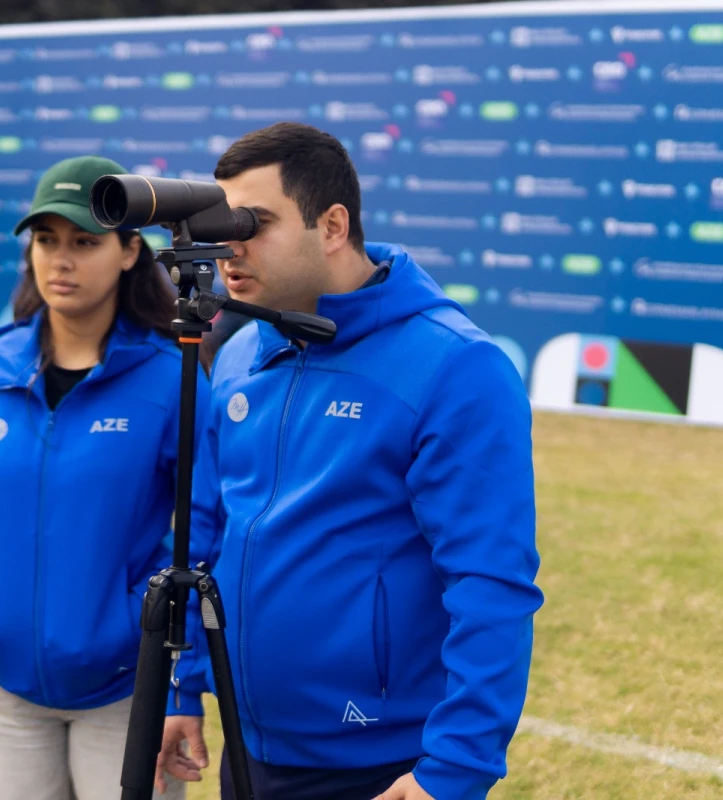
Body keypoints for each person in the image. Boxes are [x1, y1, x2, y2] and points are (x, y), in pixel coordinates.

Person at [154, 122, 544, 800]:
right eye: (222, 222)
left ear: (332, 225)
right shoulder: (245, 351)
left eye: (254, 222)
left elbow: (491, 583)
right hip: (250, 753)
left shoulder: (457, 366)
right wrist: (185, 688)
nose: (229, 246)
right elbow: (208, 533)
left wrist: (453, 773)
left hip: (382, 769)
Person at [0, 155, 199, 800]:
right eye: (46, 240)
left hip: (124, 694)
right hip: (7, 691)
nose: (61, 259)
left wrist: (139, 619)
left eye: (84, 241)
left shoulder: (172, 379)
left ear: (131, 252)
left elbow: (206, 524)